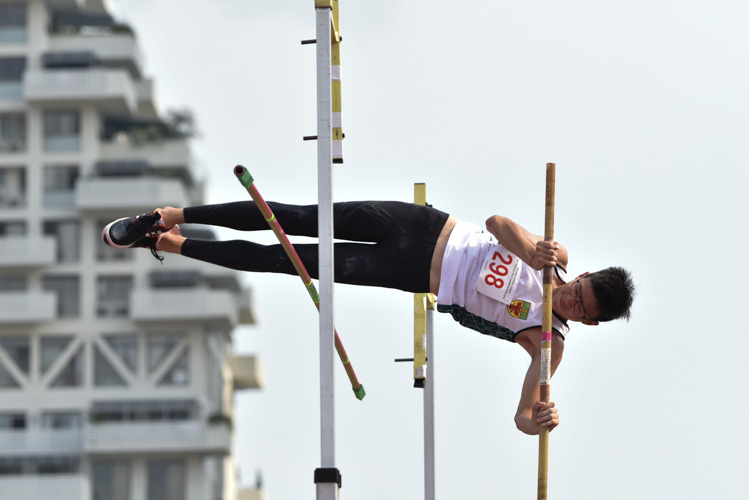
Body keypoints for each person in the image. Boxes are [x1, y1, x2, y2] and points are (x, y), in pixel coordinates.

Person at [102, 201, 635, 436]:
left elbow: (523, 413)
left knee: (289, 261)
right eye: (579, 291)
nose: (571, 301)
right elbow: (496, 222)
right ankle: (170, 215)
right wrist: (536, 248)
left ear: (588, 323)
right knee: (295, 216)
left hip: (410, 271)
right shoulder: (554, 259)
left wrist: (536, 423)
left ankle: (171, 244)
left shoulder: (549, 343)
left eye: (581, 309)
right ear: (581, 275)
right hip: (429, 227)